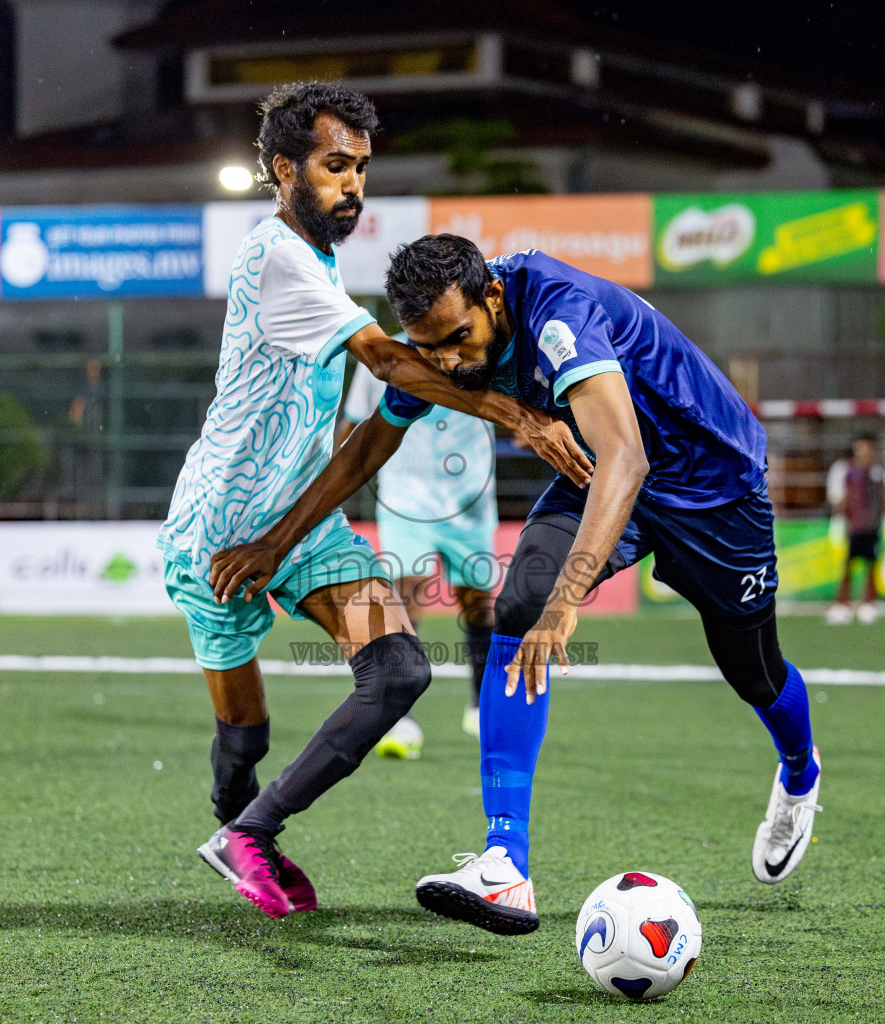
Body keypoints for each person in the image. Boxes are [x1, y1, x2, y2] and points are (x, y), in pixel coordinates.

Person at [211, 235, 823, 936]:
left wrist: (568, 605)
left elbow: (629, 456)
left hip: (711, 489)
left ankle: (800, 773)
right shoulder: (449, 339)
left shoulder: (559, 315)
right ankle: (506, 864)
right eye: (431, 348)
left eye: (459, 340)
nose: (449, 362)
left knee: (753, 670)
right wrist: (275, 541)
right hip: (595, 476)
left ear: (492, 297)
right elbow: (368, 448)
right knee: (517, 606)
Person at [159, 85, 590, 920]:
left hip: (299, 524)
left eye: (360, 167)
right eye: (333, 166)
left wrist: (287, 538)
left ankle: (251, 834)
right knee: (243, 735)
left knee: (398, 669)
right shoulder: (274, 255)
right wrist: (514, 414)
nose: (353, 184)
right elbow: (387, 364)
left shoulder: (318, 260)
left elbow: (370, 422)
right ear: (285, 171)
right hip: (214, 533)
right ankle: (233, 821)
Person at [338, 355, 500, 751]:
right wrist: (329, 483)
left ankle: (482, 707)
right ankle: (398, 716)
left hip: (470, 500)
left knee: (477, 603)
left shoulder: (482, 349)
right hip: (404, 495)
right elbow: (356, 422)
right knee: (406, 594)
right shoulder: (383, 353)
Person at [826, 434, 885, 625]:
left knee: (871, 565)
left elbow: (884, 497)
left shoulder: (878, 472)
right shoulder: (847, 471)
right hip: (852, 526)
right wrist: (839, 518)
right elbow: (841, 498)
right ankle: (842, 603)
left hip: (871, 525)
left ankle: (868, 603)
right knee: (847, 565)